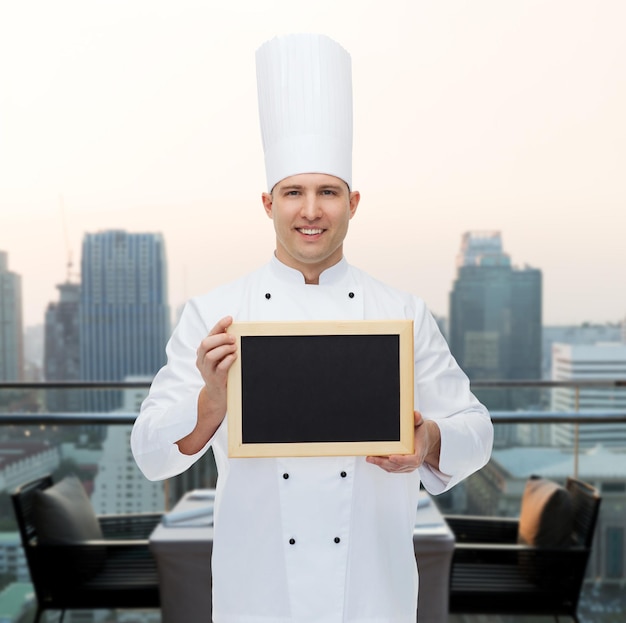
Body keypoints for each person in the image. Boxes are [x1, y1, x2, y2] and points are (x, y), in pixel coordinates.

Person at [131, 33, 493, 623]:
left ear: (353, 202)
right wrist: (209, 406)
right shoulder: (214, 313)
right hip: (259, 592)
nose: (310, 211)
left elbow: (477, 431)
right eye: (293, 192)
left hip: (373, 595)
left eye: (327, 192)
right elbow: (149, 454)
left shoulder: (401, 311)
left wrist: (427, 441)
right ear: (267, 203)